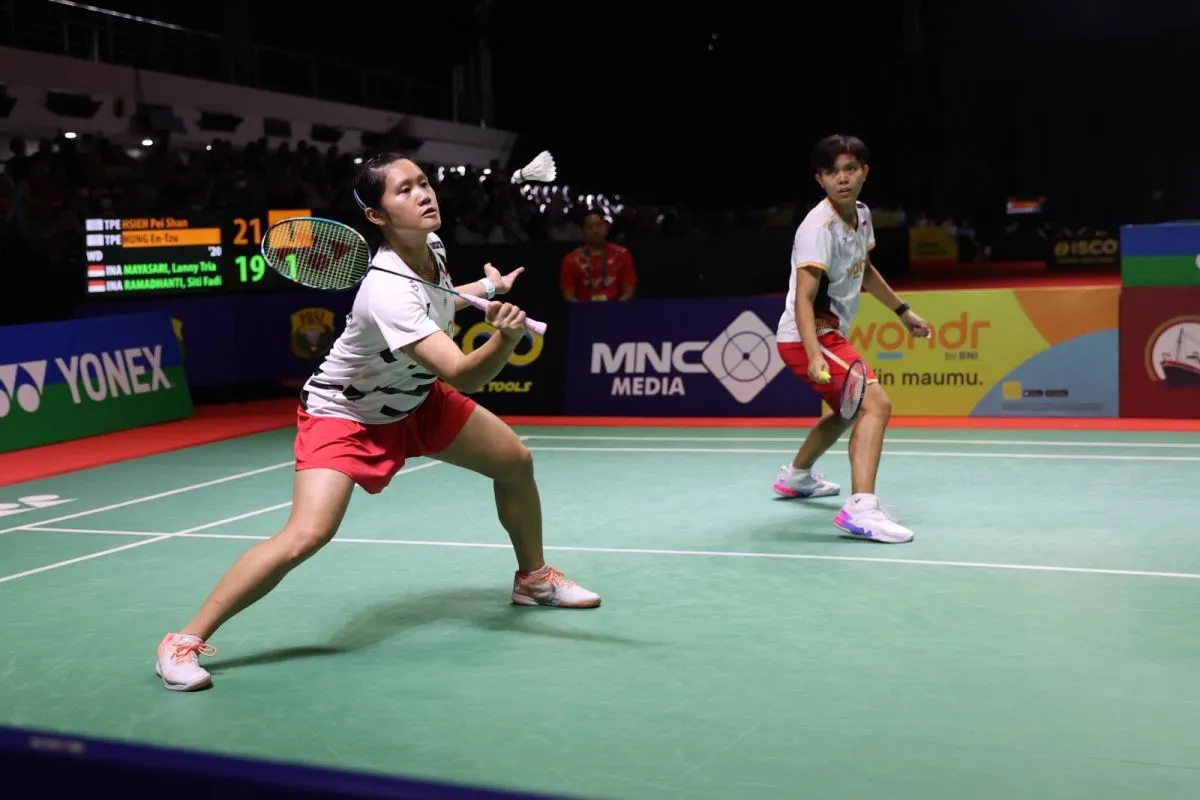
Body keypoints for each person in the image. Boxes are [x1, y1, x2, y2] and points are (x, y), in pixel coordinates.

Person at [155, 153, 602, 692]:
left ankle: (533, 580)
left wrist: (486, 292)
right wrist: (505, 337)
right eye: (404, 190)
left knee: (514, 461)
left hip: (414, 399)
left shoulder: (432, 247)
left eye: (424, 183)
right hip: (347, 414)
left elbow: (438, 301)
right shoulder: (386, 291)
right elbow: (464, 374)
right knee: (307, 534)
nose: (424, 194)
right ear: (377, 215)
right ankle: (183, 641)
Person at [772, 134, 932, 544]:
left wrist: (903, 311)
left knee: (847, 411)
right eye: (832, 172)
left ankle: (796, 478)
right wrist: (814, 354)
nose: (842, 179)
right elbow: (804, 299)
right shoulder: (817, 229)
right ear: (820, 179)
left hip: (828, 332)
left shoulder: (860, 214)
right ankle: (860, 509)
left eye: (849, 169)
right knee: (876, 404)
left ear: (864, 172)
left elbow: (865, 268)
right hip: (809, 334)